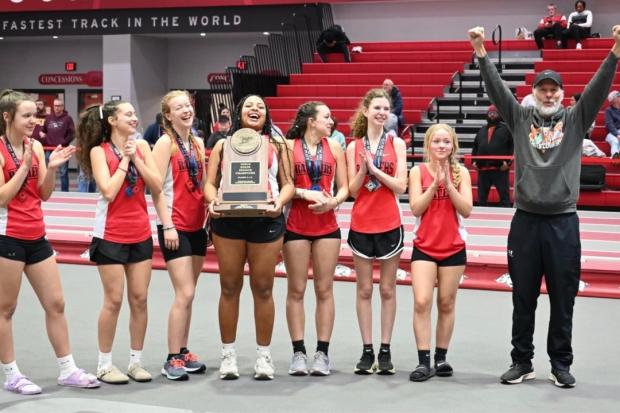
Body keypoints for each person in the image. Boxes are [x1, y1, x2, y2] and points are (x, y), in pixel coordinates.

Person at [468, 24, 620, 388]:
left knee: (563, 299)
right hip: (525, 222)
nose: (548, 94)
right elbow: (497, 89)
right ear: (533, 93)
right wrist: (481, 51)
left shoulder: (576, 119)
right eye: (542, 89)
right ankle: (521, 361)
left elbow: (598, 88)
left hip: (563, 222)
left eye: (554, 89)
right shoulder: (521, 119)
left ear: (562, 95)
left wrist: (616, 50)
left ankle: (560, 363)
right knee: (523, 297)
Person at [0, 89, 99, 395]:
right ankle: (11, 374)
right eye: (27, 115)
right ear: (7, 117)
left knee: (56, 303)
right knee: (6, 309)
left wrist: (51, 167)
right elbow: (2, 198)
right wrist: (24, 165)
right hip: (8, 236)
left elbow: (44, 194)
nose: (34, 121)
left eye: (35, 115)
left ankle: (67, 369)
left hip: (37, 235)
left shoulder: (35, 146)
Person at [205, 94, 295, 380]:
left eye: (260, 107)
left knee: (264, 288)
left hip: (266, 219)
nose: (255, 109)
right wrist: (212, 201)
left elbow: (288, 184)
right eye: (249, 106)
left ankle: (263, 356)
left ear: (266, 115)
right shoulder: (222, 145)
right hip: (228, 222)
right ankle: (228, 355)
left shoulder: (278, 145)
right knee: (229, 287)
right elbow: (210, 184)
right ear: (238, 113)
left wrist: (280, 202)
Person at [76, 100, 162, 385]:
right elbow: (109, 191)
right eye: (128, 114)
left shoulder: (143, 147)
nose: (134, 118)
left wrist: (137, 157)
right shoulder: (98, 152)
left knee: (140, 299)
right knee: (113, 300)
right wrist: (125, 160)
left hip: (140, 232)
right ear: (112, 120)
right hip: (110, 233)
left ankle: (136, 362)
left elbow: (156, 185)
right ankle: (104, 364)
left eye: (135, 113)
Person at [283, 102, 348, 377]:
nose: (331, 121)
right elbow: (283, 184)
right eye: (327, 117)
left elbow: (345, 187)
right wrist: (303, 193)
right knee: (296, 290)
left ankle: (322, 353)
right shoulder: (288, 146)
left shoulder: (334, 146)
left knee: (324, 290)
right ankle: (298, 352)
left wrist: (333, 201)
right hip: (296, 225)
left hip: (327, 226)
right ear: (311, 121)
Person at [346, 89, 408, 375]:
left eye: (386, 109)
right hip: (361, 223)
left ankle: (385, 349)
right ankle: (366, 349)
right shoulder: (353, 146)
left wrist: (375, 170)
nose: (382, 113)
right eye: (377, 108)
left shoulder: (397, 143)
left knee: (387, 289)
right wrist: (363, 170)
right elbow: (352, 190)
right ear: (366, 111)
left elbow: (401, 186)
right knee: (364, 289)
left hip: (389, 223)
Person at [408, 123, 472, 382]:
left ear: (453, 145)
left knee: (446, 302)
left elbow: (466, 209)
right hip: (424, 246)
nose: (442, 146)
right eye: (437, 141)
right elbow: (415, 208)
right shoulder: (417, 171)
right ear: (428, 145)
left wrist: (449, 184)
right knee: (422, 301)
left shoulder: (462, 172)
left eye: (446, 142)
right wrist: (435, 185)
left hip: (453, 247)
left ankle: (441, 357)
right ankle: (424, 361)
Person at [151, 91, 208, 381]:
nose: (185, 110)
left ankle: (183, 351)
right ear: (168, 115)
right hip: (175, 226)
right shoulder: (165, 143)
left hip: (197, 225)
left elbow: (203, 184)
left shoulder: (198, 142)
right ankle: (171, 358)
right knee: (183, 293)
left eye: (187, 105)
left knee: (190, 293)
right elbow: (156, 188)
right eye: (178, 108)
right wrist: (167, 224)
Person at [471, 105, 514, 207]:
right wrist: (474, 161)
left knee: (504, 197)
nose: (492, 115)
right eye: (490, 113)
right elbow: (475, 146)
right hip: (483, 169)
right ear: (487, 115)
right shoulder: (481, 130)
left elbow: (512, 147)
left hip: (500, 169)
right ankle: (481, 215)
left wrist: (508, 163)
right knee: (482, 198)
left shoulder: (506, 129)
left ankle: (507, 215)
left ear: (499, 115)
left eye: (495, 113)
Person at [41, 99, 75, 192]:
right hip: (49, 148)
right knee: (48, 171)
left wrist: (64, 143)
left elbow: (72, 134)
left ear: (62, 107)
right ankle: (50, 190)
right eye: (55, 106)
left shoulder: (68, 118)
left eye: (59, 106)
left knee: (63, 172)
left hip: (62, 149)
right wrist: (42, 134)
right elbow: (44, 130)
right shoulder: (48, 118)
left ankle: (65, 192)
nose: (57, 108)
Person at [605, 90, 620, 158]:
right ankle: (615, 155)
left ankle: (616, 155)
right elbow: (609, 124)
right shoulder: (609, 110)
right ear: (615, 100)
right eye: (619, 96)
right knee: (614, 141)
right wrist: (617, 134)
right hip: (612, 133)